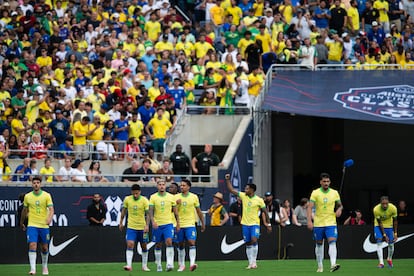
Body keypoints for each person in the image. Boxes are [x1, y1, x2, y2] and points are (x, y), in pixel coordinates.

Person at [225, 173, 271, 269]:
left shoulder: (259, 200)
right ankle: (250, 263)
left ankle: (254, 262)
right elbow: (231, 190)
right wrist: (228, 180)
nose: (245, 190)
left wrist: (268, 223)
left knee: (254, 240)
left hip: (255, 224)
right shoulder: (243, 196)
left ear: (252, 190)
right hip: (245, 224)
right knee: (248, 242)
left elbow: (265, 212)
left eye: (247, 188)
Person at [307, 172, 342, 273]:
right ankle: (320, 265)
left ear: (330, 182)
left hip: (331, 222)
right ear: (320, 182)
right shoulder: (315, 193)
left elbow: (340, 205)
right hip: (318, 223)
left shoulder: (335, 193)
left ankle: (333, 264)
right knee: (319, 244)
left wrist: (339, 210)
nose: (326, 183)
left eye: (327, 181)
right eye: (324, 181)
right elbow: (310, 207)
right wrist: (309, 221)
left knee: (332, 241)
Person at [20, 176, 54, 275]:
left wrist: (49, 218)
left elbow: (51, 209)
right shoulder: (28, 196)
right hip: (32, 225)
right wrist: (22, 222)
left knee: (44, 247)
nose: (36, 184)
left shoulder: (46, 195)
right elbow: (25, 210)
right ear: (32, 184)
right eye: (34, 183)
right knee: (32, 244)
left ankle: (44, 267)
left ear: (40, 184)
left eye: (38, 183)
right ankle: (33, 269)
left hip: (43, 225)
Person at [149, 179, 180, 272]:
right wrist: (153, 221)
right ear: (157, 186)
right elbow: (150, 211)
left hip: (168, 224)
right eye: (160, 184)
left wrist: (178, 223)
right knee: (158, 244)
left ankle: (169, 264)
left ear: (165, 186)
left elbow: (175, 212)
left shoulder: (171, 197)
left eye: (163, 184)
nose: (162, 186)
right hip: (157, 224)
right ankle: (158, 264)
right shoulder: (153, 197)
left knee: (169, 242)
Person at [119, 184, 151, 271]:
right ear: (131, 192)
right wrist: (121, 222)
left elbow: (148, 214)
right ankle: (129, 265)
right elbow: (123, 212)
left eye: (137, 193)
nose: (135, 195)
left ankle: (144, 266)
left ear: (140, 192)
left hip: (142, 227)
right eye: (134, 193)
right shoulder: (127, 199)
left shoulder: (144, 200)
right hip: (131, 227)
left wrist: (147, 225)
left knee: (144, 246)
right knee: (130, 244)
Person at [176, 179, 206, 271]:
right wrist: (177, 204)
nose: (181, 187)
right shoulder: (176, 197)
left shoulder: (194, 197)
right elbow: (171, 211)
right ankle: (182, 264)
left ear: (188, 187)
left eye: (184, 185)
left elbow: (198, 211)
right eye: (181, 185)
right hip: (180, 224)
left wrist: (202, 223)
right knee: (180, 244)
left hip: (190, 224)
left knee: (192, 242)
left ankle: (192, 263)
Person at [373, 196, 398, 268]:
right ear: (380, 203)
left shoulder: (393, 208)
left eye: (386, 203)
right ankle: (381, 263)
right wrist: (384, 235)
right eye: (383, 204)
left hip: (389, 226)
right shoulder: (376, 209)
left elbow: (395, 221)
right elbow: (380, 223)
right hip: (378, 226)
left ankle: (389, 259)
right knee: (379, 241)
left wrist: (395, 233)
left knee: (391, 244)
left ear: (388, 203)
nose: (385, 205)